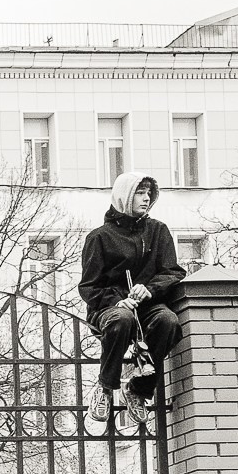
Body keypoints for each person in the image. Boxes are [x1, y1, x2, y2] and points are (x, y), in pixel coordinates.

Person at [78, 171, 183, 416]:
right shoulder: (99, 238)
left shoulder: (158, 231)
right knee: (121, 319)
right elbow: (89, 287)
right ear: (125, 195)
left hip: (149, 307)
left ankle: (139, 390)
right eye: (140, 192)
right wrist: (117, 301)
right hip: (109, 309)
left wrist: (150, 289)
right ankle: (105, 387)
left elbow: (173, 271)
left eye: (149, 193)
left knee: (169, 321)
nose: (146, 198)